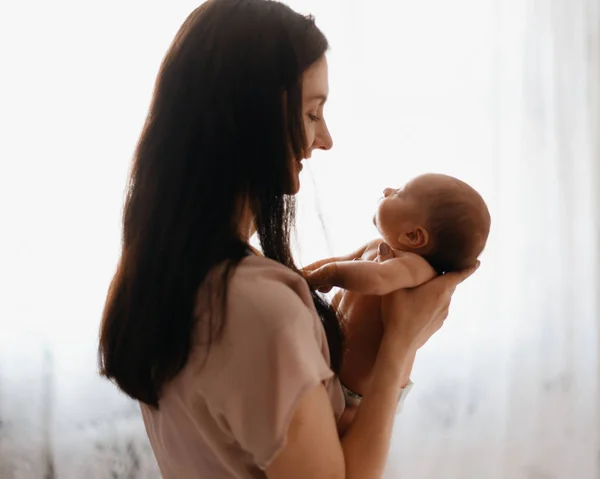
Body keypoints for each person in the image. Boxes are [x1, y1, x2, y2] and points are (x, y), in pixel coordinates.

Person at [97, 1, 479, 478]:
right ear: (250, 118)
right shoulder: (256, 306)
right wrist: (400, 344)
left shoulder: (168, 277)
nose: (326, 139)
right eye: (313, 112)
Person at [304, 173, 491, 403]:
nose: (387, 190)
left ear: (413, 236)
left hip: (351, 392)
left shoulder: (416, 268)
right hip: (326, 363)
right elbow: (339, 261)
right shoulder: (376, 246)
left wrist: (329, 275)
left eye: (399, 193)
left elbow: (377, 279)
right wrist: (302, 274)